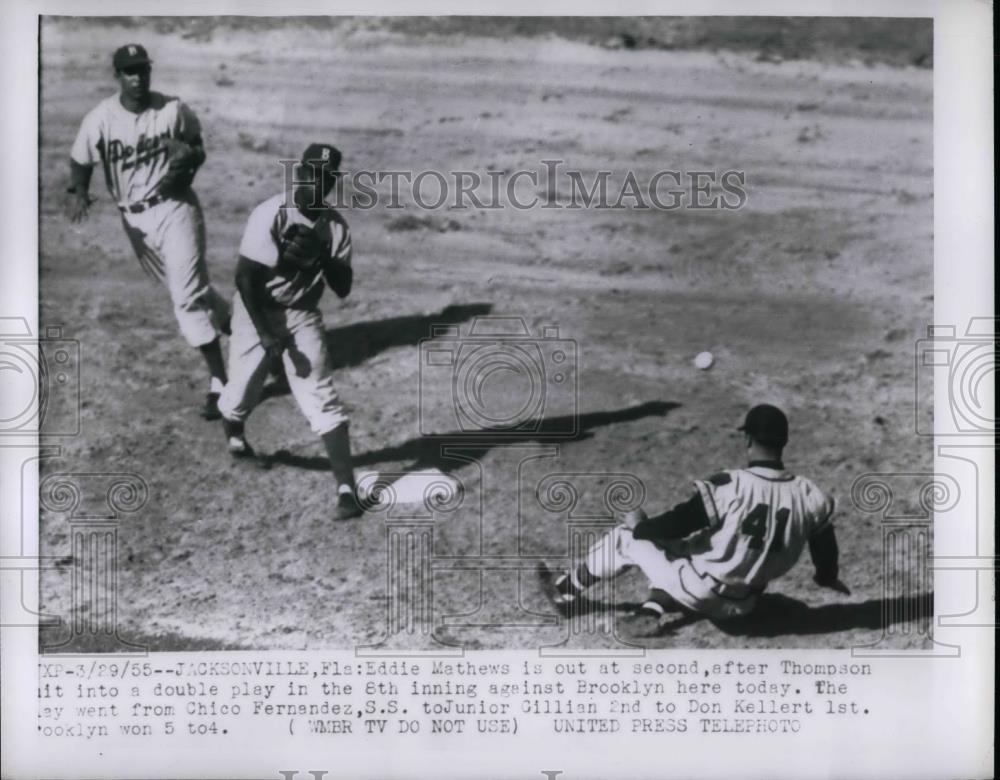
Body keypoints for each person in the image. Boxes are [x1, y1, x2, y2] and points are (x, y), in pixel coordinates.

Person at [540, 404, 850, 636]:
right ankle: (654, 606)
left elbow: (680, 522)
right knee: (689, 551)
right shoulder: (810, 494)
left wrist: (642, 527)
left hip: (699, 590)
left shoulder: (733, 484)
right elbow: (825, 550)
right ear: (784, 442)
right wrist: (827, 577)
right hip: (744, 605)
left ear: (749, 440)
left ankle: (565, 590)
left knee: (630, 539)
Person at [67, 43, 231, 419]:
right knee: (189, 287)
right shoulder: (100, 119)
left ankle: (222, 384)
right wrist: (77, 191)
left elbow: (197, 148)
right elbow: (80, 161)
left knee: (186, 299)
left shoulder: (172, 109)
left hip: (176, 209)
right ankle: (240, 325)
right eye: (130, 72)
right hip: (135, 221)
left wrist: (189, 159)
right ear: (118, 76)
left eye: (143, 70)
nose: (137, 78)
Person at [217, 143, 363, 521]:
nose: (318, 183)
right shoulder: (270, 213)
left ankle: (346, 488)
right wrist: (265, 335)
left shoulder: (335, 227)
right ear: (300, 174)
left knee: (319, 392)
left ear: (333, 181)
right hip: (255, 311)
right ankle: (233, 427)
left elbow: (343, 287)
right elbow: (245, 279)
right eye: (312, 174)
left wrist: (324, 255)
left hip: (301, 313)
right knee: (241, 391)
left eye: (327, 177)